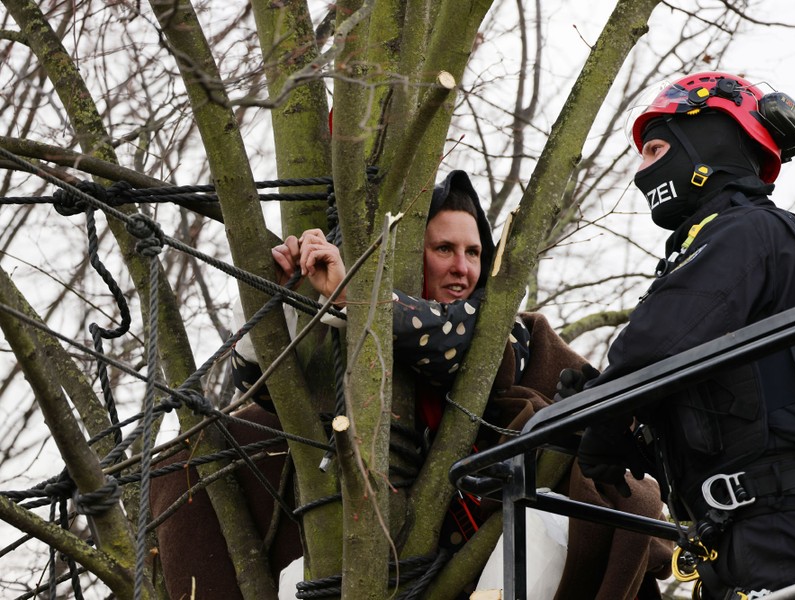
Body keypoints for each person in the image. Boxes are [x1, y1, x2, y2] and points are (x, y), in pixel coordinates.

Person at [151, 171, 672, 600]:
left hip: (501, 538)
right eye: (443, 248)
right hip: (365, 552)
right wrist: (290, 298)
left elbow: (454, 341)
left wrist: (355, 297)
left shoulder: (501, 328)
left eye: (474, 251)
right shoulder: (353, 333)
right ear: (406, 254)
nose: (462, 267)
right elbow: (265, 390)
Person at [565, 72, 795, 599]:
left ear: (709, 142)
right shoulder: (775, 242)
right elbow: (754, 418)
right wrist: (630, 437)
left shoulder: (745, 232)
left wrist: (596, 421)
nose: (641, 173)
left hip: (781, 535)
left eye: (654, 149)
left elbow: (650, 347)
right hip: (764, 531)